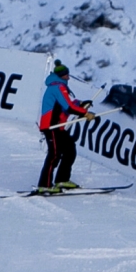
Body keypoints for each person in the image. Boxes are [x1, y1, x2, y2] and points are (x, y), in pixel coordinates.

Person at [34, 61, 93, 192]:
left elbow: (66, 104)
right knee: (54, 154)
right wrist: (85, 113)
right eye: (66, 75)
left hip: (58, 126)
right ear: (61, 76)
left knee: (69, 150)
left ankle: (62, 180)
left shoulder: (59, 86)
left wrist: (81, 103)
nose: (69, 77)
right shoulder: (57, 87)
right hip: (51, 125)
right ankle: (44, 185)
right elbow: (68, 107)